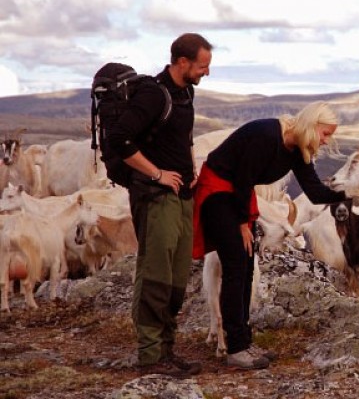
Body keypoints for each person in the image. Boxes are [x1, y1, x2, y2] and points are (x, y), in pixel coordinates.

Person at [193, 101, 347, 370]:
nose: (326, 141)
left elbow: (314, 191)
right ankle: (236, 349)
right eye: (325, 134)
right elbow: (242, 177)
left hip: (239, 195)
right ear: (312, 126)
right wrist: (243, 223)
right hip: (218, 191)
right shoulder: (266, 135)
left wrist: (351, 192)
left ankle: (242, 341)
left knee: (246, 267)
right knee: (236, 266)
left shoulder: (298, 150)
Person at [109, 32, 213, 377]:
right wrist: (157, 175)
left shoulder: (185, 92)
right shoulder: (153, 94)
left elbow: (182, 136)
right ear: (182, 62)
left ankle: (167, 348)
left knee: (177, 277)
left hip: (182, 196)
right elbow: (119, 138)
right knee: (156, 274)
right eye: (202, 66)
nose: (206, 73)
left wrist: (190, 167)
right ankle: (151, 355)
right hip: (155, 198)